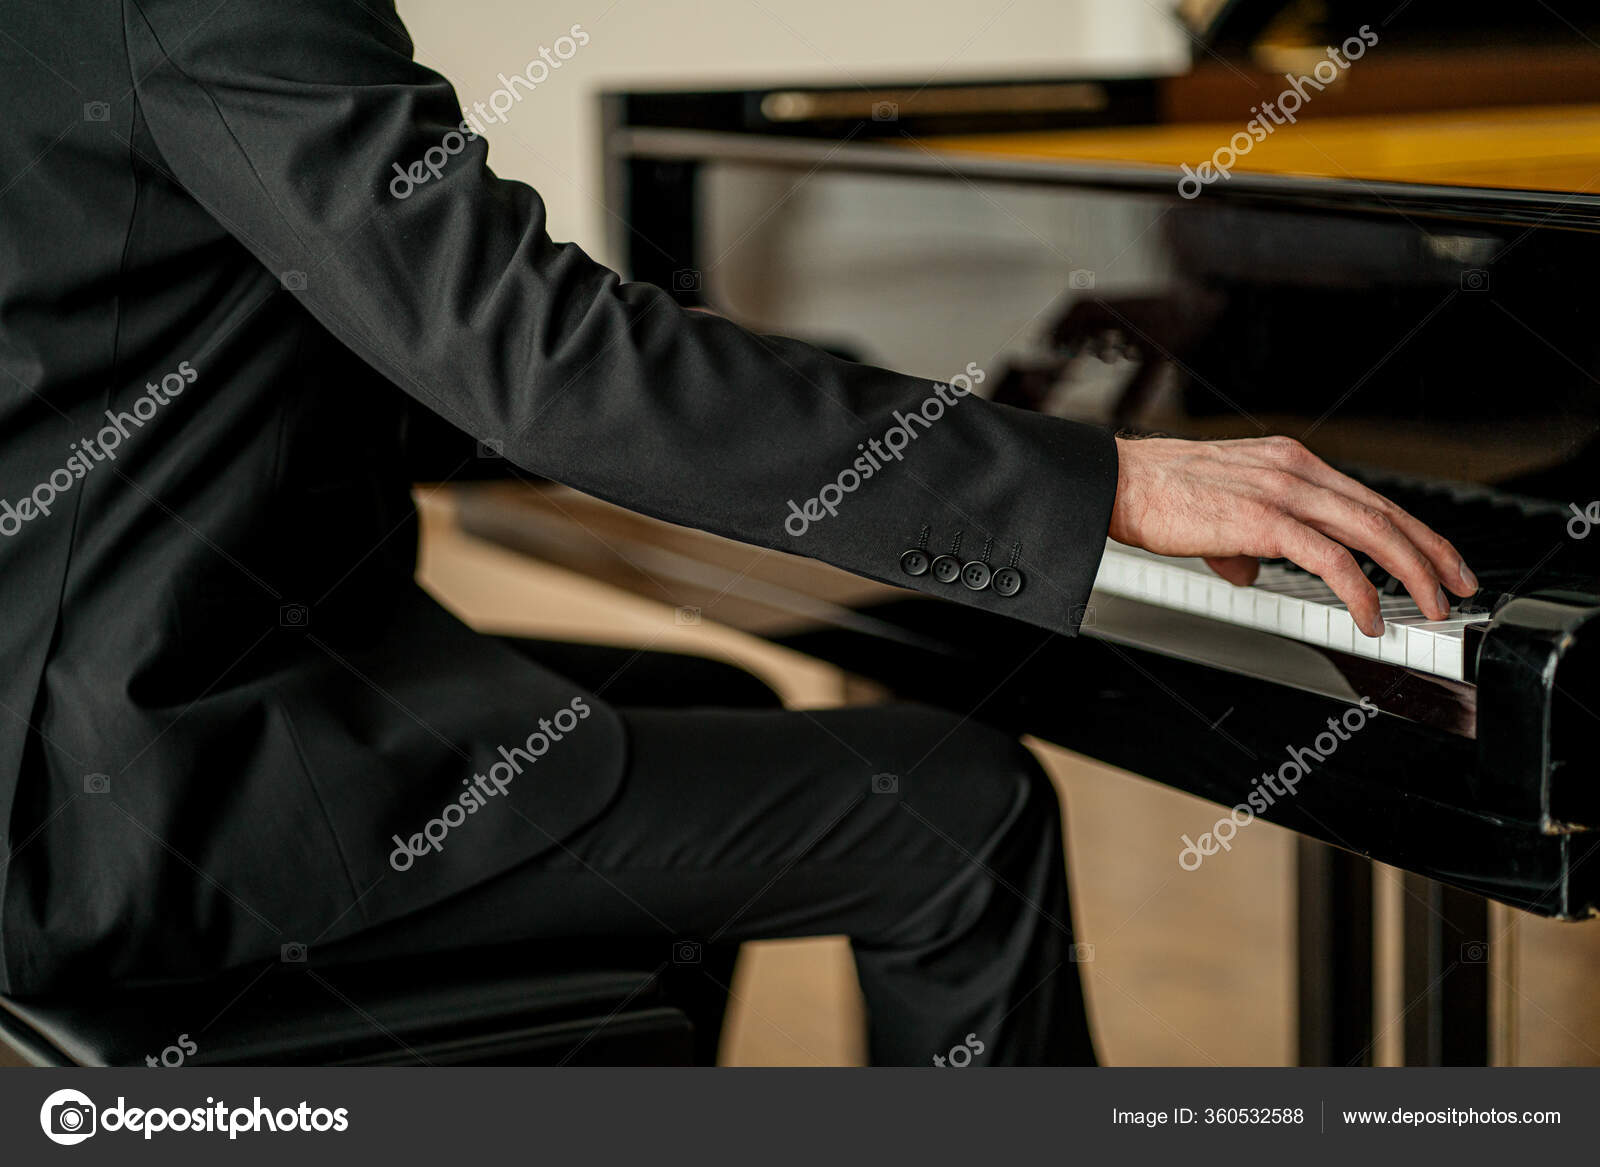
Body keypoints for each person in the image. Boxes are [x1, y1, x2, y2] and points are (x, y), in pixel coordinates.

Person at [0, 0, 1474, 1064]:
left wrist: (835, 405)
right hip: (123, 806)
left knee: (725, 708)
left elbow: (242, 342)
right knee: (952, 813)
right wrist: (1096, 485)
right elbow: (542, 365)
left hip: (84, 719)